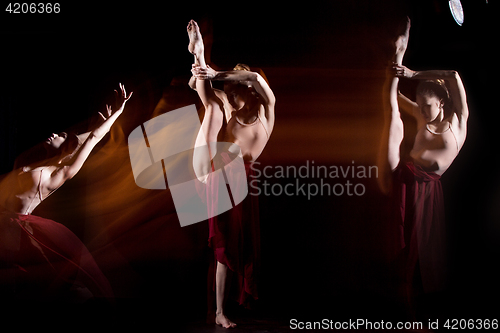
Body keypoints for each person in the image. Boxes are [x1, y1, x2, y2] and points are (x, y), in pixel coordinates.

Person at [0, 83, 132, 304]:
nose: (53, 134)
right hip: (2, 222)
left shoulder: (57, 174)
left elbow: (92, 140)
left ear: (68, 146)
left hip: (16, 231)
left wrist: (116, 115)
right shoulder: (33, 163)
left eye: (60, 135)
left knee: (22, 283)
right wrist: (97, 124)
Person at [187, 19, 276, 328]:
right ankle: (219, 313)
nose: (233, 93)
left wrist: (215, 74)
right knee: (212, 107)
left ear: (248, 87)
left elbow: (257, 80)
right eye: (232, 88)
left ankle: (223, 309)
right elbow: (207, 93)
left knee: (241, 247)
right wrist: (202, 71)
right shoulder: (227, 107)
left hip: (245, 185)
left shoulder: (268, 110)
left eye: (238, 87)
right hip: (215, 172)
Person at [378, 18, 468, 318]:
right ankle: (398, 51)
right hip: (403, 176)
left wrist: (414, 74)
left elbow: (453, 75)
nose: (421, 109)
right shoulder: (421, 114)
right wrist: (397, 76)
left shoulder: (458, 122)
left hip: (427, 188)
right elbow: (402, 102)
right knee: (391, 108)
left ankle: (415, 311)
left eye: (426, 105)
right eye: (418, 103)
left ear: (442, 102)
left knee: (418, 255)